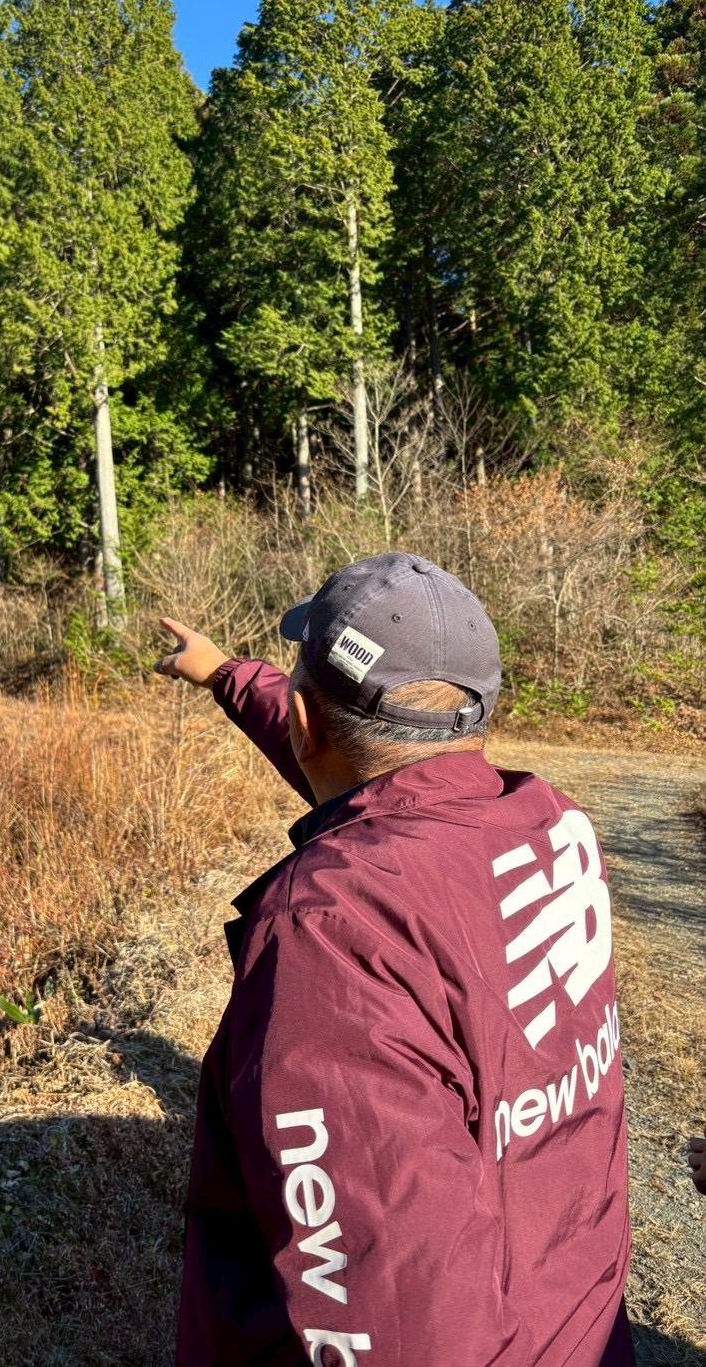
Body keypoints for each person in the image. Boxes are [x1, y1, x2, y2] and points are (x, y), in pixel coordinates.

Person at [156, 553, 634, 1367]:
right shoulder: (546, 826)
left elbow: (395, 1316)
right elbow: (374, 778)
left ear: (306, 722)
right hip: (578, 1328)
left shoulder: (334, 932)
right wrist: (227, 675)